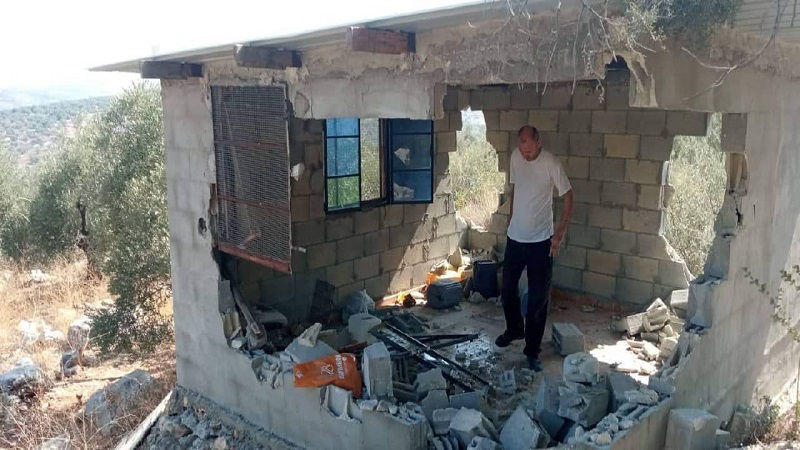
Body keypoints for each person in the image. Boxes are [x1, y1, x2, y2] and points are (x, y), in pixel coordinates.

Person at [495, 125, 574, 372]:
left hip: (541, 241)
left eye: (528, 149)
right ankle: (514, 329)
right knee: (507, 289)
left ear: (538, 143)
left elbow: (569, 196)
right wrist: (511, 219)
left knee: (538, 299)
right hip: (515, 238)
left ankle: (532, 351)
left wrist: (559, 234)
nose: (525, 154)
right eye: (521, 147)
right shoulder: (515, 158)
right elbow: (516, 189)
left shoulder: (551, 163)